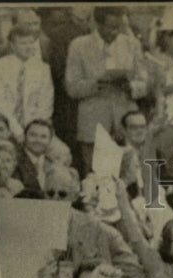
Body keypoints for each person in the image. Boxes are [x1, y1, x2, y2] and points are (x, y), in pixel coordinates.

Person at [65, 5, 151, 172]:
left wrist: (130, 86)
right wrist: (97, 83)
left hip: (127, 124)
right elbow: (72, 87)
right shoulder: (79, 45)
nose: (115, 32)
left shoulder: (131, 44)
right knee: (94, 177)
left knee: (131, 175)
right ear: (97, 24)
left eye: (119, 27)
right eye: (111, 27)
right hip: (93, 125)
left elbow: (144, 83)